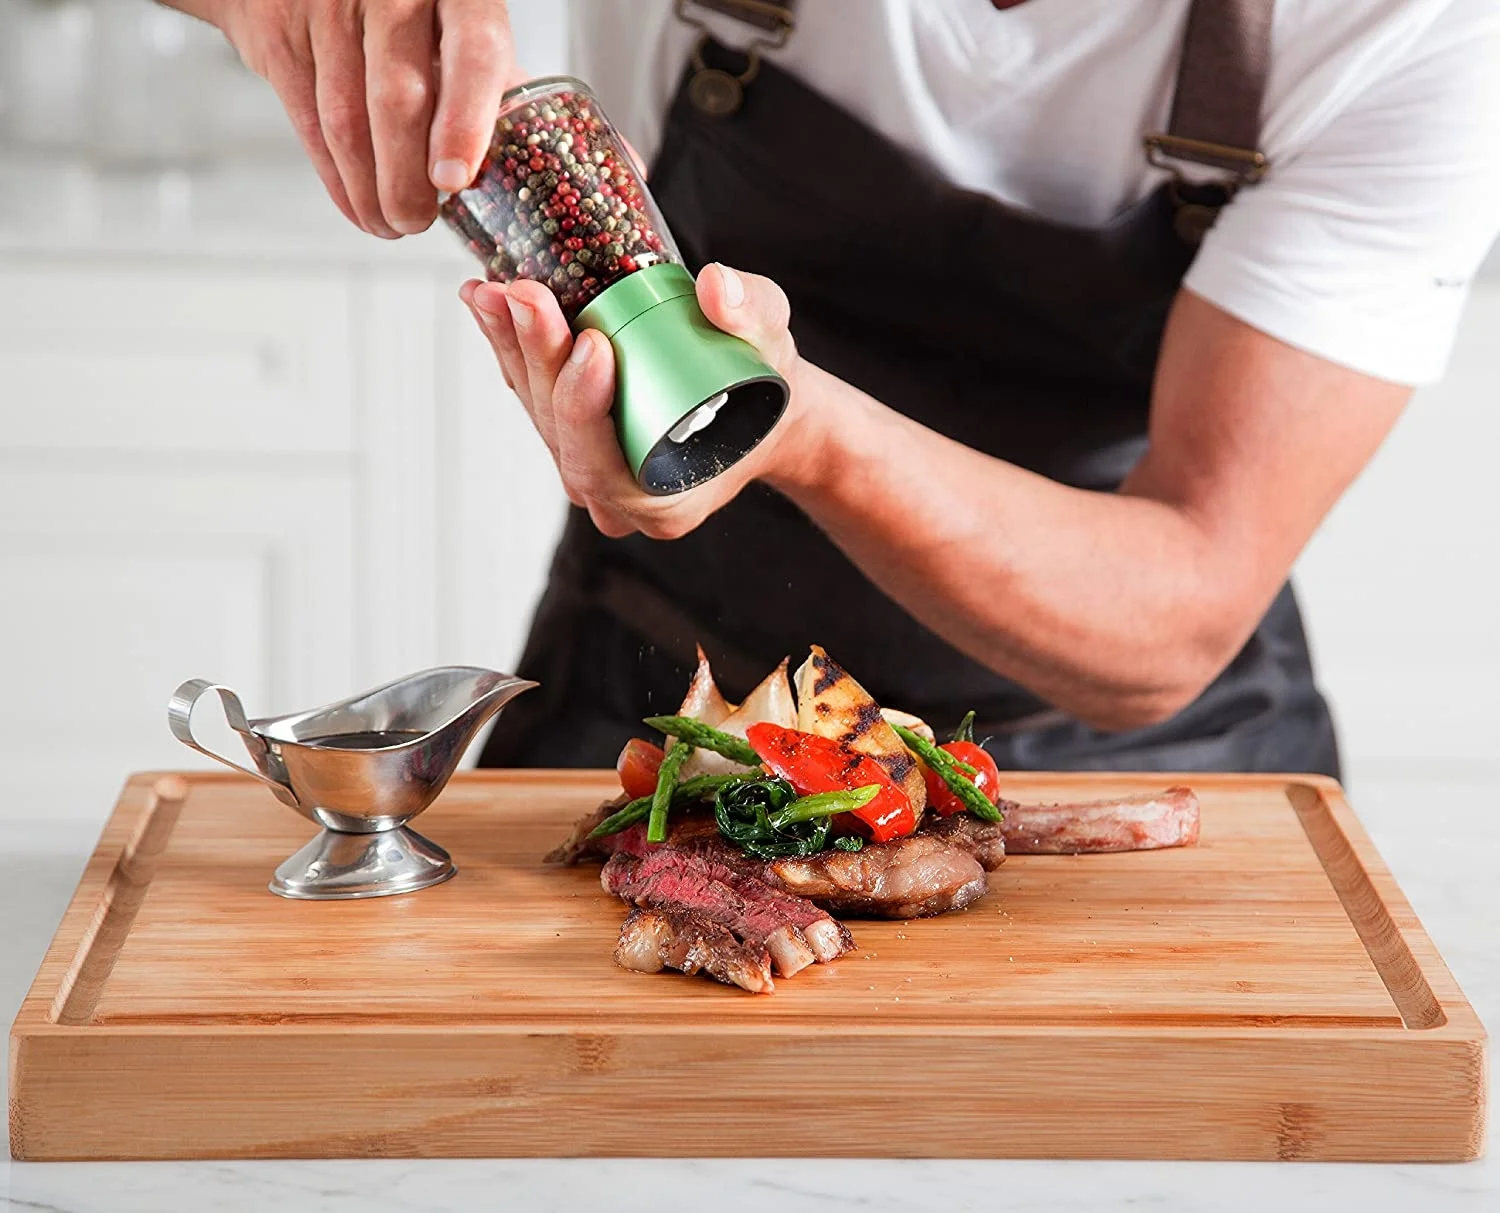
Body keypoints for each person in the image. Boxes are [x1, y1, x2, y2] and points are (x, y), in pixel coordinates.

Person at [168, 0, 1500, 776]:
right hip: (659, 713)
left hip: (1129, 764)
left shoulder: (1406, 29)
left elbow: (1185, 598)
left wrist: (800, 431)